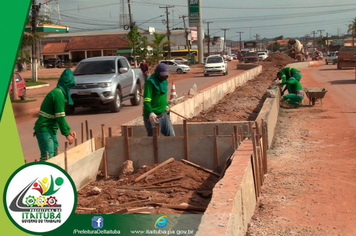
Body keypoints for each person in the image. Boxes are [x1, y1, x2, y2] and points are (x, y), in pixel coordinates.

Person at [33, 68, 77, 161]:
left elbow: (61, 117)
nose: (70, 89)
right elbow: (60, 117)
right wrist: (67, 135)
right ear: (66, 85)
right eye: (70, 86)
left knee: (55, 155)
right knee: (48, 157)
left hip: (50, 129)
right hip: (44, 129)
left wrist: (68, 129)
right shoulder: (58, 95)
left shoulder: (58, 93)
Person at [143, 63, 175, 137]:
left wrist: (167, 106)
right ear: (157, 73)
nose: (164, 77)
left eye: (165, 75)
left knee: (172, 137)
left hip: (163, 114)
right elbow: (146, 100)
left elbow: (162, 98)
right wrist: (150, 112)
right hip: (153, 116)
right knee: (154, 139)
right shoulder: (150, 82)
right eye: (162, 75)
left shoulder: (164, 82)